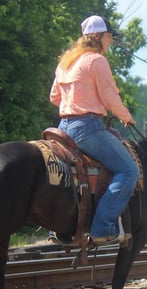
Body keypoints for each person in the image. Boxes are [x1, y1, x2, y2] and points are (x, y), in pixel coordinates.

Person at [49, 14, 139, 245]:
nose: (111, 42)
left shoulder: (66, 62)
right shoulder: (96, 61)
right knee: (128, 171)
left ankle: (57, 226)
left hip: (63, 128)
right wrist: (126, 117)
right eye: (109, 37)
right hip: (87, 127)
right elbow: (110, 96)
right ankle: (102, 227)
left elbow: (54, 97)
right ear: (98, 36)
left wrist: (75, 103)